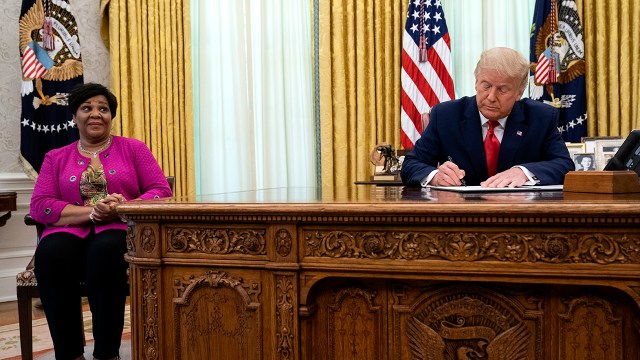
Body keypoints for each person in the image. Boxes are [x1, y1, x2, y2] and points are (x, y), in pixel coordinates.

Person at [30, 83, 173, 360]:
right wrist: (93, 213)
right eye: (87, 108)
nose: (96, 114)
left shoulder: (134, 149)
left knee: (106, 250)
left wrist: (122, 207)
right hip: (71, 229)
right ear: (74, 117)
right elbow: (40, 205)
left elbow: (161, 190)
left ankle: (107, 353)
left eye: (103, 109)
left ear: (111, 116)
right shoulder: (55, 157)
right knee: (51, 251)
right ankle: (69, 353)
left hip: (119, 227)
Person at [401, 47, 574, 187]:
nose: (491, 96)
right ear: (476, 82)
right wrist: (435, 176)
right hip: (460, 215)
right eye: (486, 85)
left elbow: (564, 165)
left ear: (519, 93)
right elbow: (411, 164)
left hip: (521, 215)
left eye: (502, 89)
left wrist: (524, 172)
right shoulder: (446, 116)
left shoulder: (540, 117)